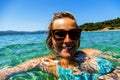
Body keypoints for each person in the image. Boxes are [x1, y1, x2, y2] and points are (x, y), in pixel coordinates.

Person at [0, 11, 120, 80]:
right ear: (51, 39)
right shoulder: (44, 63)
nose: (67, 40)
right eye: (60, 34)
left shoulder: (91, 52)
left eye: (73, 33)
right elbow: (9, 71)